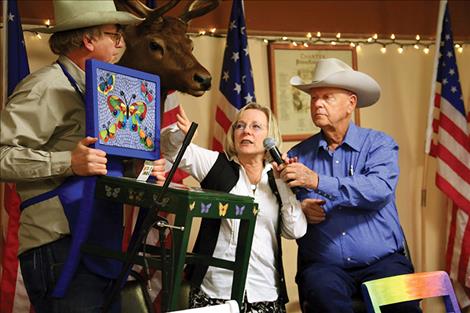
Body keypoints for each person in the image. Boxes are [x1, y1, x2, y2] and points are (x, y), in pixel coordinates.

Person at [0, 1, 165, 312]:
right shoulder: (46, 86)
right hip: (59, 246)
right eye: (115, 35)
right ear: (88, 40)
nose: (121, 43)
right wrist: (68, 162)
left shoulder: (106, 92)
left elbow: (105, 168)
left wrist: (144, 171)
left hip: (101, 243)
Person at [281, 58, 421, 313]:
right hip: (324, 267)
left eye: (327, 97)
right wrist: (301, 209)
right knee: (323, 297)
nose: (317, 104)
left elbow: (378, 190)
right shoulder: (297, 155)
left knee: (402, 306)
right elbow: (286, 209)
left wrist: (317, 181)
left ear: (351, 103)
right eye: (314, 98)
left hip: (383, 261)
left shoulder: (380, 144)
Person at [158, 103, 307, 313]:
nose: (246, 131)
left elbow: (295, 231)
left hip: (265, 291)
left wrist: (283, 183)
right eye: (240, 126)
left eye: (256, 127)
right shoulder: (215, 165)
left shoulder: (278, 179)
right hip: (215, 291)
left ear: (269, 136)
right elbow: (169, 149)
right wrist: (181, 134)